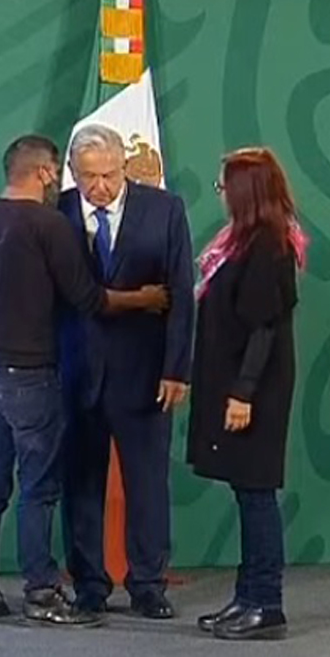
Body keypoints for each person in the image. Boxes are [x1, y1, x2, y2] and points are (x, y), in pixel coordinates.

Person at [0, 134, 169, 627]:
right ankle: (41, 592)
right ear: (46, 173)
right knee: (39, 490)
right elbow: (89, 299)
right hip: (33, 376)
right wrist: (145, 298)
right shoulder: (51, 225)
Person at [57, 123, 195, 620]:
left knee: (148, 485)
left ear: (124, 167)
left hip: (145, 373)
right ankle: (89, 586)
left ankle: (148, 585)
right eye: (89, 177)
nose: (100, 187)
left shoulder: (165, 210)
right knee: (80, 485)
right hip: (75, 373)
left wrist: (177, 368)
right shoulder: (56, 212)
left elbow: (182, 294)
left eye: (109, 175)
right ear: (73, 173)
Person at [187, 147, 307, 641]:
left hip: (256, 389)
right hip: (237, 383)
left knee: (257, 495)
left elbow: (264, 328)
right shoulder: (243, 241)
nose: (220, 195)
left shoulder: (267, 246)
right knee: (246, 492)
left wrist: (243, 393)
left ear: (244, 191)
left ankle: (266, 603)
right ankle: (246, 597)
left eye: (223, 187)